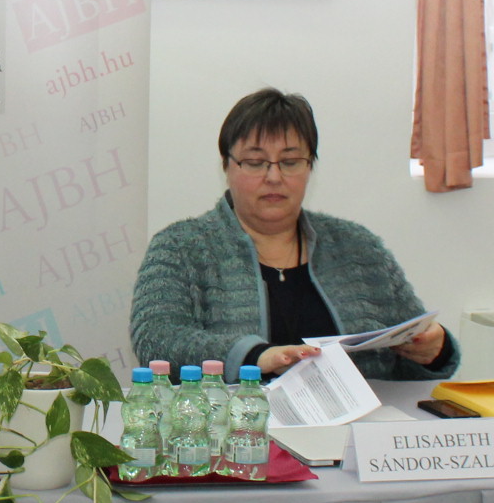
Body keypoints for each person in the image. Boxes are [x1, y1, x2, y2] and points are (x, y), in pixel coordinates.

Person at [131, 87, 458, 382]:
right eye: (255, 162)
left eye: (290, 162)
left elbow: (410, 345)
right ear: (227, 167)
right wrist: (255, 357)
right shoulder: (180, 247)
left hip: (353, 425)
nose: (274, 177)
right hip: (231, 423)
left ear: (310, 166)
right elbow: (157, 339)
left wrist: (436, 349)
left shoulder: (360, 248)